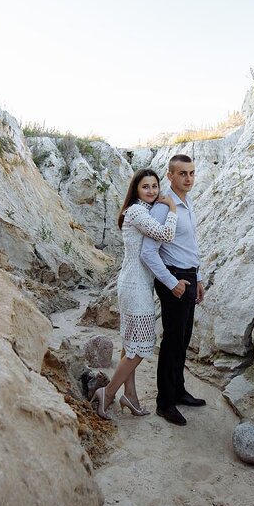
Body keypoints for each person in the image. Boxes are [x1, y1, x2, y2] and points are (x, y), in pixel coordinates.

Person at [90, 169, 178, 420]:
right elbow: (166, 235)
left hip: (134, 283)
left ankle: (131, 396)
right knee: (141, 345)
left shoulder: (143, 211)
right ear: (136, 190)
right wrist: (172, 209)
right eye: (145, 187)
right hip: (134, 286)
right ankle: (107, 393)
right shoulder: (137, 211)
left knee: (130, 343)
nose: (151, 191)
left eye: (154, 186)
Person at [140, 154, 206, 426]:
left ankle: (178, 391)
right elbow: (148, 252)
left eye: (191, 173)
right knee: (171, 342)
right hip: (174, 278)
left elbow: (190, 244)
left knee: (183, 339)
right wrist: (172, 283)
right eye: (182, 174)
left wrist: (198, 277)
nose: (188, 178)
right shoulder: (163, 207)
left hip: (188, 276)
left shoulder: (186, 203)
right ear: (170, 176)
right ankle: (164, 403)